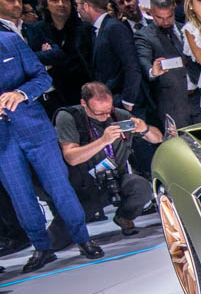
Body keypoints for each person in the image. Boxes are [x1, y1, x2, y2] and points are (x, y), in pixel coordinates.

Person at [0, 28, 101, 273]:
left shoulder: (10, 41)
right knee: (20, 195)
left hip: (34, 129)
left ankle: (83, 239)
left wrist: (21, 93)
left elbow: (42, 78)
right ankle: (41, 247)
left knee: (59, 186)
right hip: (3, 140)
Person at [54, 81, 163, 237]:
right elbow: (71, 157)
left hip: (117, 178)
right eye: (99, 113)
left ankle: (124, 217)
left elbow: (157, 138)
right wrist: (103, 141)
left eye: (108, 110)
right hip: (85, 185)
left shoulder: (118, 115)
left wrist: (145, 129)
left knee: (141, 187)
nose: (105, 116)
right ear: (84, 103)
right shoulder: (69, 117)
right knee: (60, 237)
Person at [135, 0, 201, 129]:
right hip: (172, 102)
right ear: (151, 13)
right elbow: (143, 59)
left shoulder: (186, 29)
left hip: (200, 96)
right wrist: (152, 71)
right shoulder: (144, 36)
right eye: (160, 18)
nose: (165, 22)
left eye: (169, 16)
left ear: (173, 9)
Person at [25, 0, 91, 116]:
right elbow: (32, 59)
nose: (61, 4)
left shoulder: (85, 28)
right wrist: (49, 58)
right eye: (54, 0)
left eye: (65, 0)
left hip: (86, 92)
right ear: (45, 4)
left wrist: (50, 58)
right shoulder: (37, 30)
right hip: (54, 97)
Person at [76, 0, 145, 112]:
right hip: (114, 101)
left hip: (127, 104)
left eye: (78, 5)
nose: (78, 10)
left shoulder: (114, 27)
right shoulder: (99, 30)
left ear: (86, 6)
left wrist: (127, 101)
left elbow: (132, 65)